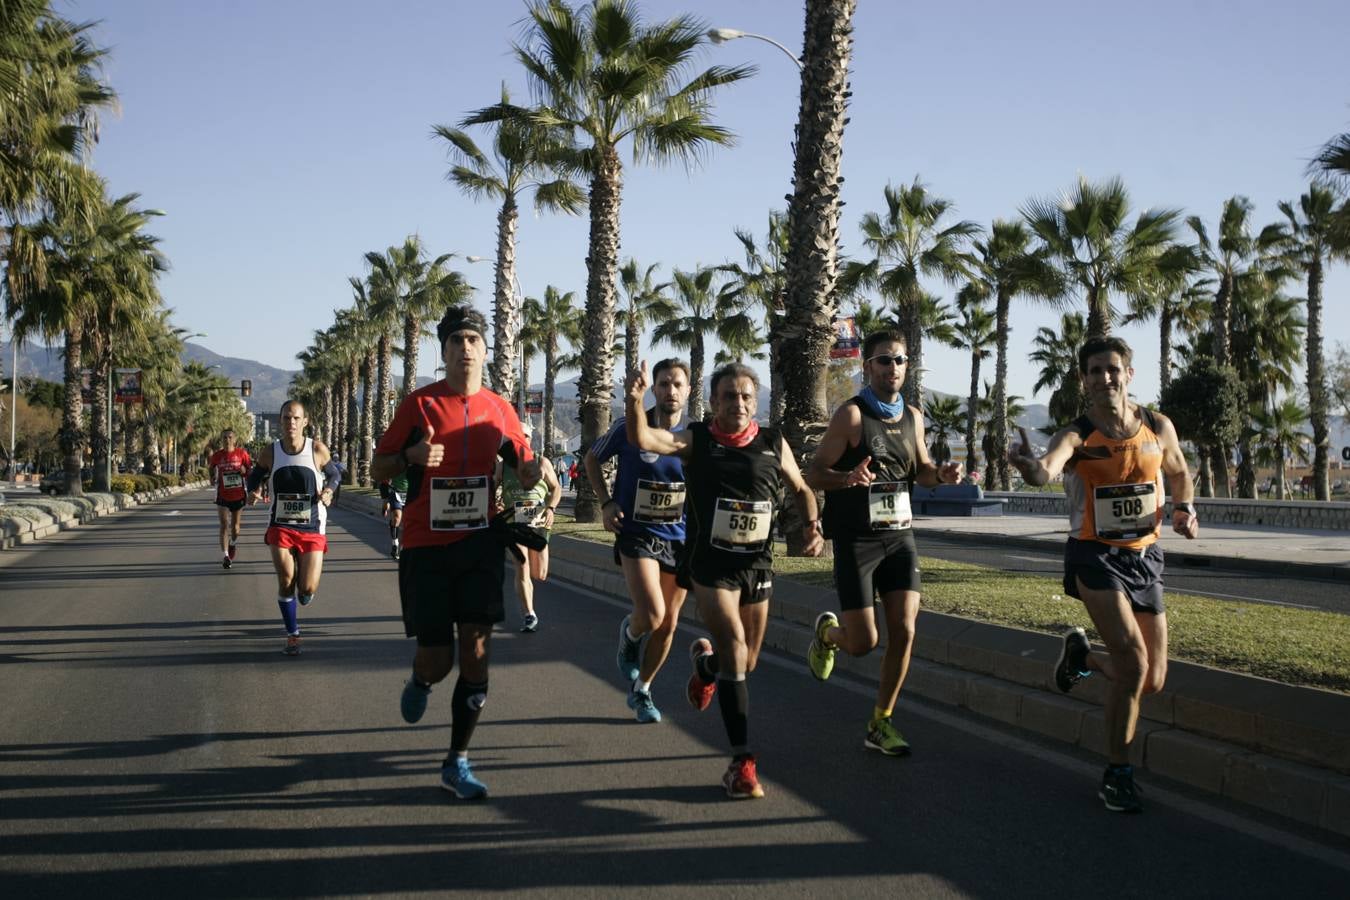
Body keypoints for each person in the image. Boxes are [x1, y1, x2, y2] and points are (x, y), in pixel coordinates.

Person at [1007, 334, 1198, 814]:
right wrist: (1029, 467)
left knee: (1152, 679)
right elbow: (1046, 470)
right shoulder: (1077, 435)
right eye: (1095, 371)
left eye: (1113, 369)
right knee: (1132, 665)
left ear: (1128, 374)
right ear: (1084, 379)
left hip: (1146, 557)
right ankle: (1117, 773)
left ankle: (1084, 656)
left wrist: (1184, 509)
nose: (1105, 378)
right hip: (1095, 556)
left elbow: (1179, 472)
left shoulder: (1157, 425)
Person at [625, 360, 823, 799]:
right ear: (714, 401)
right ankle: (741, 763)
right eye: (729, 396)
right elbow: (644, 438)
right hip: (710, 566)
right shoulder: (698, 440)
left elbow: (802, 489)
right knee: (733, 647)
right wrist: (634, 401)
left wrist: (813, 525)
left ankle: (705, 667)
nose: (739, 403)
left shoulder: (772, 442)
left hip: (757, 565)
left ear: (756, 401)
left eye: (746, 396)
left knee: (746, 662)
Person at [372, 304, 540, 801]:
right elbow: (378, 468)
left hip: (480, 543)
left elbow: (522, 463)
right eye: (456, 341)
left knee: (477, 653)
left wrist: (532, 472)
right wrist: (410, 456)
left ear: (485, 351)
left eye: (473, 340)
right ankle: (420, 680)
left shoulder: (500, 409)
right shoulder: (418, 405)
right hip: (425, 547)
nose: (465, 348)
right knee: (438, 660)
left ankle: (457, 760)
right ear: (443, 351)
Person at [803, 329, 962, 756]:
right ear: (868, 366)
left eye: (900, 360)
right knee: (863, 643)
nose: (893, 367)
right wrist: (846, 478)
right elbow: (814, 473)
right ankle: (828, 634)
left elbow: (921, 470)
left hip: (899, 537)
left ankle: (881, 721)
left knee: (905, 630)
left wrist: (940, 475)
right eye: (884, 360)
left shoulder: (913, 416)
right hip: (857, 541)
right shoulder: (852, 417)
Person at [585, 357, 692, 724]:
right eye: (663, 384)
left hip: (679, 538)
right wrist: (606, 502)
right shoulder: (629, 425)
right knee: (652, 614)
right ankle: (630, 635)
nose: (670, 390)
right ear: (653, 389)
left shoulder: (694, 435)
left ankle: (642, 689)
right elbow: (591, 459)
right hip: (636, 533)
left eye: (677, 384)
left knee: (668, 624)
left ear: (688, 391)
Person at [245, 401, 340, 656]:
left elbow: (335, 475)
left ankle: (305, 592)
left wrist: (329, 490)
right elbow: (254, 477)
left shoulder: (317, 449)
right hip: (280, 526)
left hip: (312, 525)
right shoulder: (270, 452)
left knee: (307, 588)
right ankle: (292, 634)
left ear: (305, 422)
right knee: (286, 580)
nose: (291, 423)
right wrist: (252, 491)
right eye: (287, 418)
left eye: (296, 418)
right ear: (280, 421)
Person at [496, 429, 562, 633]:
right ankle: (529, 614)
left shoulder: (542, 462)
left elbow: (556, 488)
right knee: (522, 566)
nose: (520, 442)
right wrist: (495, 504)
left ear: (529, 440)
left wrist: (551, 508)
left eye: (523, 437)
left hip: (538, 522)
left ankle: (528, 604)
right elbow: (490, 487)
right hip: (514, 522)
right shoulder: (503, 466)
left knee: (539, 573)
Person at [208, 428, 253, 569]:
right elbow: (211, 468)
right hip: (222, 495)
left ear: (235, 439)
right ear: (221, 440)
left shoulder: (242, 454)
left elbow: (250, 470)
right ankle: (226, 556)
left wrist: (245, 472)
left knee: (235, 527)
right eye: (224, 437)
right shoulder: (217, 456)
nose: (227, 440)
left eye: (230, 437)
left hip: (238, 495)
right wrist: (212, 477)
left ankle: (233, 544)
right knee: (223, 524)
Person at [380, 471, 409, 560]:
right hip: (395, 492)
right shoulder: (395, 463)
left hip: (410, 492)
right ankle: (395, 544)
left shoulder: (414, 463)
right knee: (396, 519)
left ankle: (405, 548)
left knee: (408, 522)